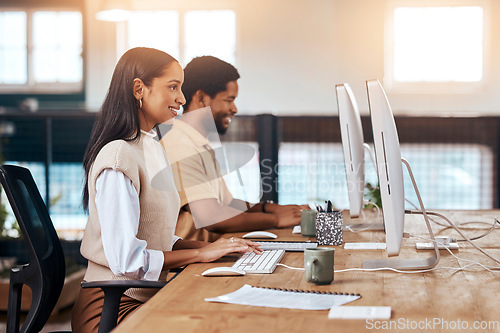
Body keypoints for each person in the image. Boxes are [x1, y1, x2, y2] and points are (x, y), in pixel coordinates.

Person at [72, 48, 261, 332]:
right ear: (139, 89)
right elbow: (128, 260)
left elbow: (155, 236)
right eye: (173, 87)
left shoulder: (150, 146)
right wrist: (199, 255)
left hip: (146, 298)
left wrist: (212, 248)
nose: (182, 99)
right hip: (111, 310)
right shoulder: (118, 157)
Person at [160, 56, 308, 242]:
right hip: (188, 267)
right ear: (202, 98)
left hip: (210, 254)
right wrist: (276, 219)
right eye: (229, 100)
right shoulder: (179, 144)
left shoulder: (197, 142)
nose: (234, 108)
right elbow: (212, 217)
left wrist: (269, 208)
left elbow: (226, 203)